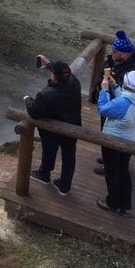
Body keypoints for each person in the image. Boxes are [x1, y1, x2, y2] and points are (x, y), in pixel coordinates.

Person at [91, 31, 135, 175]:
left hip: (118, 110)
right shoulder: (117, 61)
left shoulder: (134, 73)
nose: (112, 52)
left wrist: (106, 91)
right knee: (107, 134)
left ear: (125, 54)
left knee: (115, 142)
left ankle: (111, 167)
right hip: (115, 106)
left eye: (115, 51)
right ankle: (109, 161)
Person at [24, 58, 82, 196]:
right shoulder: (75, 83)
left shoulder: (46, 95)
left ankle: (44, 174)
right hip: (72, 127)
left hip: (52, 131)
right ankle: (65, 186)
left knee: (49, 151)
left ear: (54, 76)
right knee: (69, 156)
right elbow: (63, 71)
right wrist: (48, 63)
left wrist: (27, 99)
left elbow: (34, 111)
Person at [97, 70, 135, 216]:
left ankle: (112, 202)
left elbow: (103, 109)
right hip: (130, 139)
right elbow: (128, 99)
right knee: (123, 171)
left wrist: (104, 91)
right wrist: (115, 87)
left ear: (126, 83)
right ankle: (125, 203)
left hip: (113, 140)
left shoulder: (121, 103)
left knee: (112, 172)